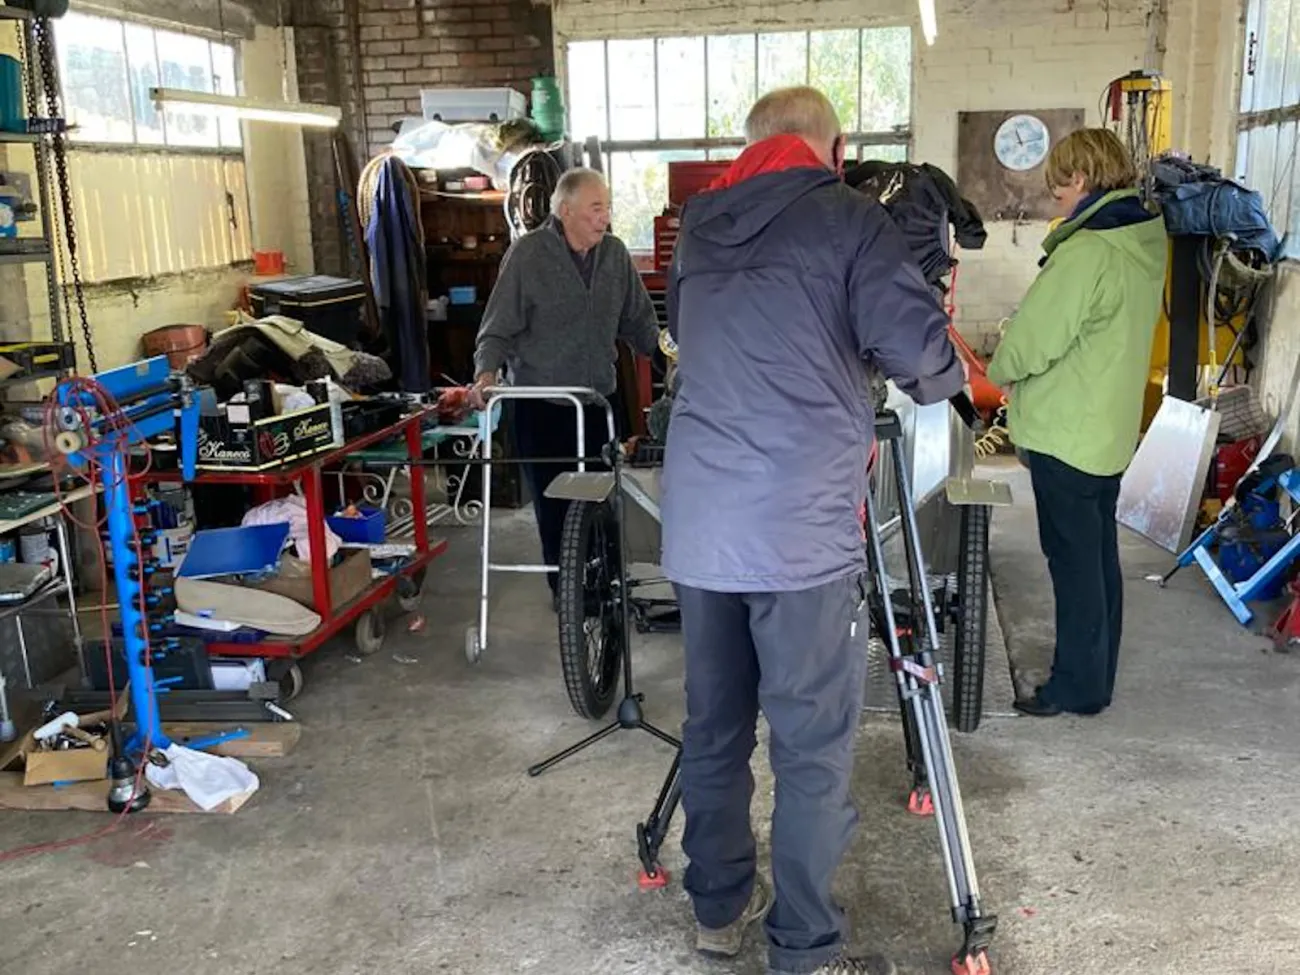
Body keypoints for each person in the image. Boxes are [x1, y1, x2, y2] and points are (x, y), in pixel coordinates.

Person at [660, 86, 966, 975]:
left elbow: (693, 335)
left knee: (714, 724)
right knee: (811, 744)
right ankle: (803, 945)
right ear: (832, 149)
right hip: (799, 530)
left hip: (702, 525)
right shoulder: (849, 221)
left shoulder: (698, 228)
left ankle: (717, 907)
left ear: (749, 148)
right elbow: (927, 366)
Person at [986, 128, 1166, 718]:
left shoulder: (1088, 251)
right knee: (1097, 558)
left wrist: (1001, 367)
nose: (1054, 197)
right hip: (1107, 429)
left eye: (1057, 185)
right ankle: (1097, 671)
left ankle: (1077, 687)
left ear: (1081, 180)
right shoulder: (1143, 238)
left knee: (1073, 563)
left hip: (1066, 431)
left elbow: (1036, 340)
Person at [471, 168, 660, 607]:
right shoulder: (529, 256)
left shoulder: (614, 255)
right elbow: (497, 328)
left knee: (604, 498)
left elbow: (640, 323)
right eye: (597, 208)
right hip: (542, 406)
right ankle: (569, 596)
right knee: (556, 507)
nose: (605, 218)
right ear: (566, 210)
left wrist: (673, 359)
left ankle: (605, 585)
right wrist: (486, 374)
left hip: (598, 403)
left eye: (608, 208)